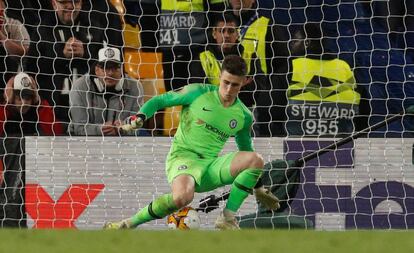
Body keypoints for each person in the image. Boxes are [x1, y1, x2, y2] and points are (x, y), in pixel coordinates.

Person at [104, 55, 279, 230]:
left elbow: (245, 150)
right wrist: (141, 116)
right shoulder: (198, 92)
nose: (228, 89)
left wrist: (258, 187)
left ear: (245, 81)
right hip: (183, 158)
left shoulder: (244, 115)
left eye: (235, 85)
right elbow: (160, 100)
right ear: (220, 76)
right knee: (183, 197)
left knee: (255, 159)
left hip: (210, 167)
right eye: (225, 82)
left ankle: (227, 217)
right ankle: (128, 223)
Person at [24, 0, 123, 130]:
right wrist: (61, 55)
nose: (70, 6)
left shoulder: (94, 26)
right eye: (64, 2)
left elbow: (108, 66)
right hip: (54, 107)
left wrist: (85, 54)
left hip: (89, 106)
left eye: (75, 2)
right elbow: (31, 67)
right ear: (54, 4)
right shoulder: (42, 28)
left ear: (81, 4)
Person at [284, 24, 362, 137]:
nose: (291, 46)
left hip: (297, 146)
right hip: (342, 144)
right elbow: (363, 107)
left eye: (295, 41)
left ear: (307, 42)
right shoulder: (344, 67)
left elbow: (272, 107)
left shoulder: (291, 66)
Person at [229, 0, 290, 136]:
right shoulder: (222, 26)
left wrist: (268, 96)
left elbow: (282, 65)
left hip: (258, 104)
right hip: (226, 100)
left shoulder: (268, 26)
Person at [68, 47, 144, 136]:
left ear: (121, 69)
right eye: (105, 68)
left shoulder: (135, 87)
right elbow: (79, 128)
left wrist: (122, 129)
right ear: (96, 70)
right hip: (87, 142)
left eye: (115, 68)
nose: (110, 73)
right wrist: (100, 129)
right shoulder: (80, 86)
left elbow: (137, 126)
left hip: (122, 141)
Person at [189, 13, 255, 108]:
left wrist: (219, 88)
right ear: (214, 33)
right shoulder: (201, 59)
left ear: (237, 34)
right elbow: (200, 94)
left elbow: (253, 94)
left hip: (242, 111)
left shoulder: (250, 57)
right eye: (222, 31)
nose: (226, 35)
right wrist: (238, 86)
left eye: (231, 31)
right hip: (211, 112)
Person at [158, 0, 226, 91]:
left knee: (198, 92)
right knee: (174, 95)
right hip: (170, 47)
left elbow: (219, 10)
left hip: (198, 48)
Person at [0, 72, 64, 137]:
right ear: (12, 98)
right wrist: (6, 104)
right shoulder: (5, 109)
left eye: (27, 98)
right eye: (19, 98)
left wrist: (40, 103)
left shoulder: (37, 109)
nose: (24, 103)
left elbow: (57, 132)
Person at [0, 0, 30, 91]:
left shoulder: (15, 25)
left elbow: (24, 51)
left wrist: (2, 37)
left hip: (12, 78)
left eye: (1, 11)